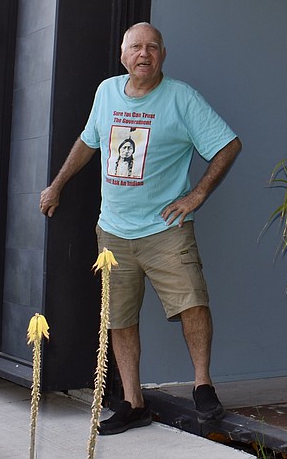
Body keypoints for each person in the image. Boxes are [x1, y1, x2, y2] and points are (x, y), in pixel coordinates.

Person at [39, 22, 242, 435]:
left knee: (192, 302)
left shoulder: (182, 98)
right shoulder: (107, 92)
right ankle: (134, 402)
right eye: (136, 47)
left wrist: (197, 194)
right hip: (113, 231)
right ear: (123, 55)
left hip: (166, 228)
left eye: (152, 47)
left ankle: (203, 385)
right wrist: (57, 184)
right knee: (120, 317)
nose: (143, 54)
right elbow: (88, 141)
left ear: (163, 54)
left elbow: (227, 144)